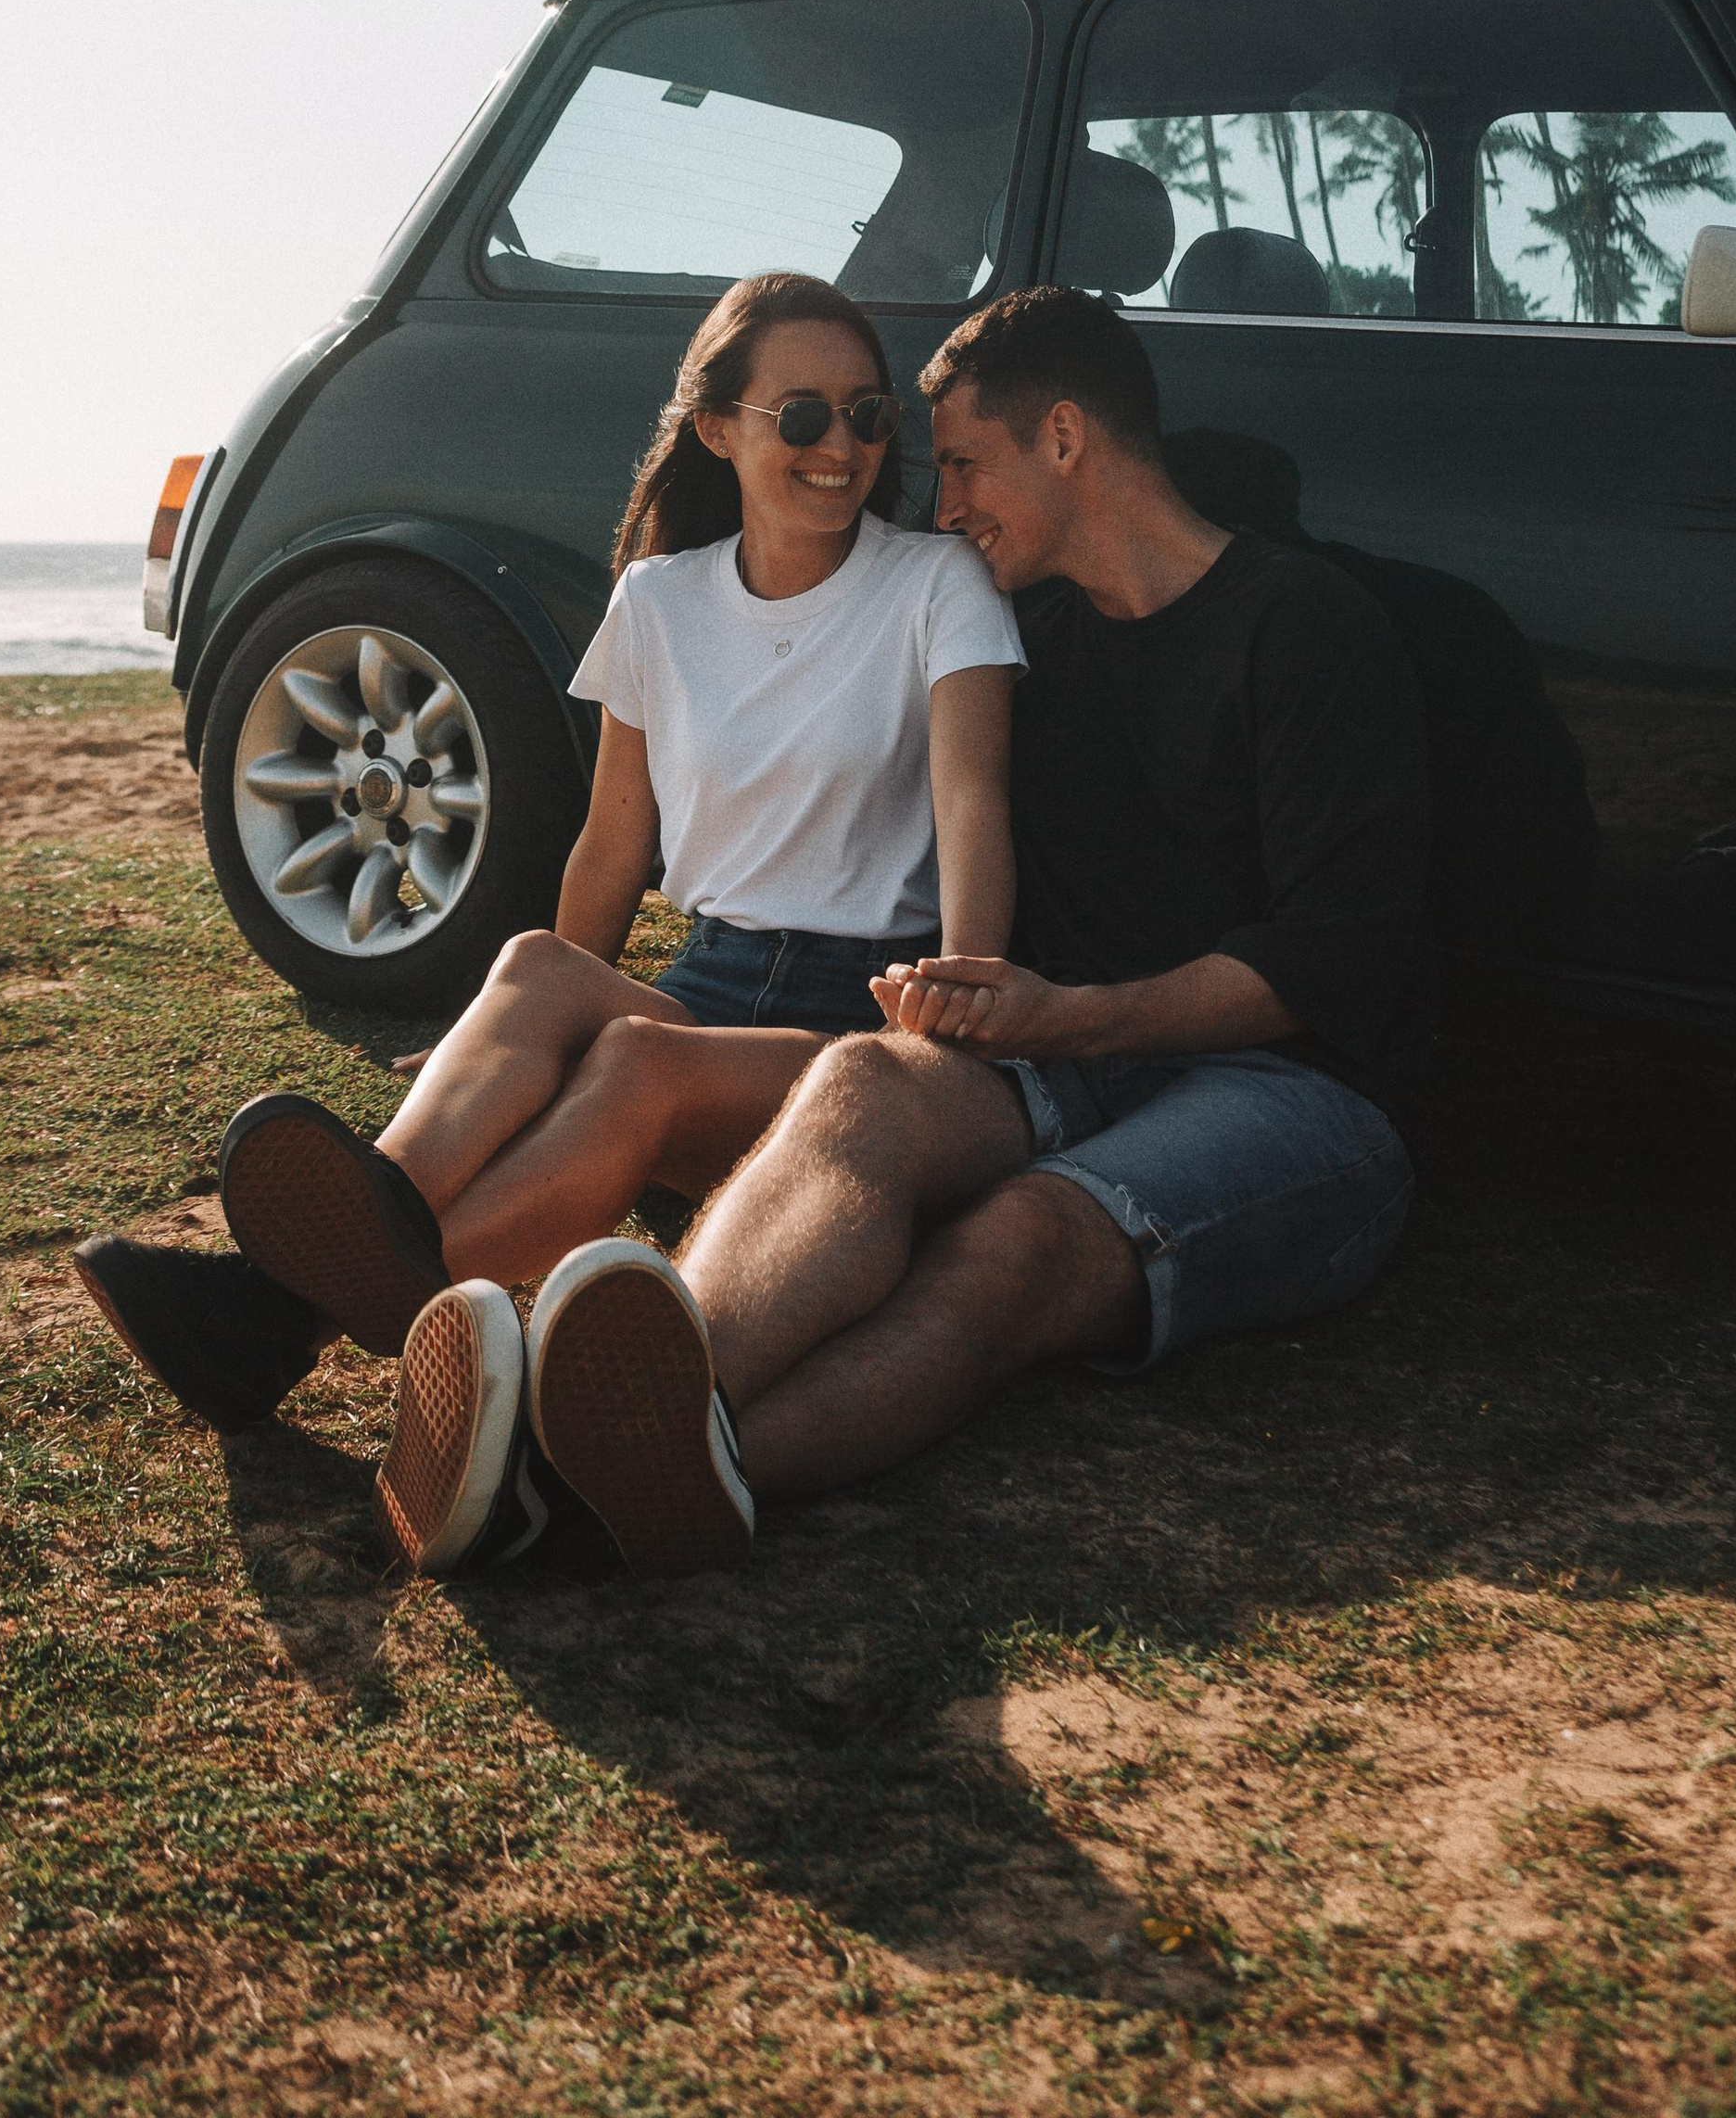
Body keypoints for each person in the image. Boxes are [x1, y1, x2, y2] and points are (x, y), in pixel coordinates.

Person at [391, 283, 1432, 1582]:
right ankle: (615, 1417)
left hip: (1289, 1092)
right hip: (1062, 1055)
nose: (942, 508)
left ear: (1065, 439)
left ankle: (626, 1477)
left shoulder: (1304, 625)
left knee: (1017, 1244)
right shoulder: (1023, 626)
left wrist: (1072, 1014)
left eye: (968, 466)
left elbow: (1334, 960)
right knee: (860, 1081)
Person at [71, 269, 1023, 1553]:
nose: (842, 446)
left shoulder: (934, 587)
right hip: (709, 984)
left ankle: (280, 1314)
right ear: (720, 430)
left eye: (866, 417)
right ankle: (322, 1286)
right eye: (802, 417)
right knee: (533, 962)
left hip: (853, 1020)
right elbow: (614, 843)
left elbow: (972, 801)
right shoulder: (659, 602)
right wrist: (513, 1048)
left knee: (632, 1055)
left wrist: (966, 993)